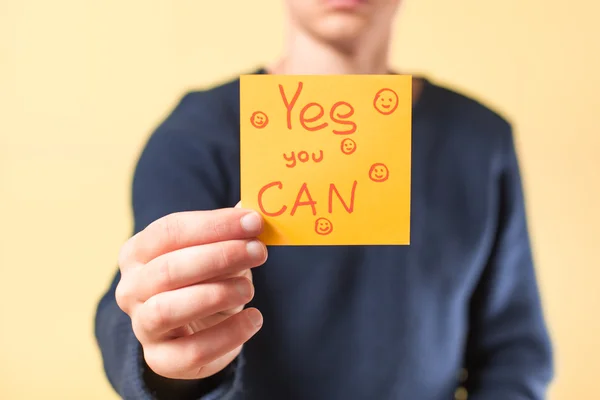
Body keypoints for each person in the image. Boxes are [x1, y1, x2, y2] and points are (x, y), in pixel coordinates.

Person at [94, 0, 554, 399]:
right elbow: (137, 307)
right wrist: (162, 358)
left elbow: (514, 350)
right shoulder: (195, 135)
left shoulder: (479, 140)